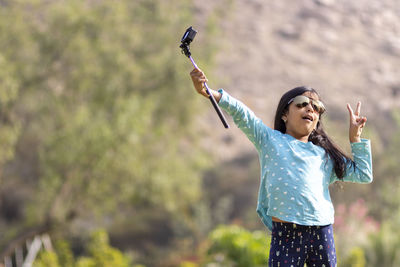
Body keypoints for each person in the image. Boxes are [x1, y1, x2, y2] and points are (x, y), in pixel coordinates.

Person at [190, 68, 373, 267]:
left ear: (318, 120)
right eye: (302, 103)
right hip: (286, 234)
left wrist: (355, 138)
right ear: (285, 114)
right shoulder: (269, 140)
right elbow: (243, 114)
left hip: (321, 232)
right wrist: (210, 92)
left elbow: (363, 174)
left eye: (316, 107)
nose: (310, 109)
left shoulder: (324, 155)